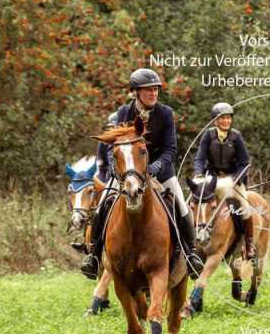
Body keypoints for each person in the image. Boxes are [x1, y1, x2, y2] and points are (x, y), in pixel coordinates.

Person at [80, 68, 204, 280]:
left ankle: (190, 253)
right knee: (103, 204)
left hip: (161, 172)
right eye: (148, 90)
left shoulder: (165, 113)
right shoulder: (123, 113)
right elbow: (113, 147)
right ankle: (93, 255)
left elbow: (170, 149)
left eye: (155, 90)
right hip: (129, 172)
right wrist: (112, 165)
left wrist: (155, 167)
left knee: (181, 204)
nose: (153, 94)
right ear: (136, 92)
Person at [192, 102, 257, 258]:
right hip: (211, 178)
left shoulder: (236, 136)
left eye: (228, 118)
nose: (226, 121)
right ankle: (190, 244)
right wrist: (198, 173)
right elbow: (200, 157)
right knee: (193, 201)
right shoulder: (208, 135)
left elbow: (244, 163)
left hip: (232, 179)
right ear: (215, 121)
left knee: (245, 208)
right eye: (222, 118)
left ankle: (249, 244)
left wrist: (236, 179)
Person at [95, 112, 118, 184]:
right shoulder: (103, 142)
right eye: (112, 127)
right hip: (109, 177)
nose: (114, 129)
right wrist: (103, 183)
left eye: (116, 126)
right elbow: (101, 166)